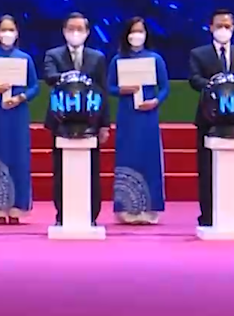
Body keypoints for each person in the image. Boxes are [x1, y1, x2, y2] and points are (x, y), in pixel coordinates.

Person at [188, 9, 234, 228]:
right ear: (211, 27)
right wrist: (216, 85)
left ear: (233, 28)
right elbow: (194, 79)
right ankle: (208, 215)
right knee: (207, 168)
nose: (223, 30)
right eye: (219, 26)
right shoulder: (199, 54)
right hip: (209, 119)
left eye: (227, 26)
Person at [42, 12, 110, 226]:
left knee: (92, 170)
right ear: (64, 31)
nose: (75, 33)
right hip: (62, 120)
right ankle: (62, 215)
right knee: (61, 170)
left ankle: (91, 215)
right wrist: (70, 77)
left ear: (87, 32)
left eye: (80, 29)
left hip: (90, 121)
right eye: (71, 28)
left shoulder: (97, 57)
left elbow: (103, 91)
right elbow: (49, 76)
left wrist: (105, 124)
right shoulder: (53, 55)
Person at [0, 15, 40, 224]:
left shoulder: (25, 58)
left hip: (18, 114)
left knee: (19, 157)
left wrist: (21, 97)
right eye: (4, 30)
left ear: (17, 33)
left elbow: (35, 87)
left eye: (11, 30)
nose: (7, 34)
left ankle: (17, 207)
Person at [107, 16, 169, 224]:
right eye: (133, 31)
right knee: (127, 156)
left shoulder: (155, 59)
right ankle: (126, 208)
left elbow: (165, 87)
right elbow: (110, 87)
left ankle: (150, 208)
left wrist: (156, 101)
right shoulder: (118, 60)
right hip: (127, 116)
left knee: (149, 157)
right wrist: (122, 90)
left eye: (140, 31)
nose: (136, 35)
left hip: (148, 116)